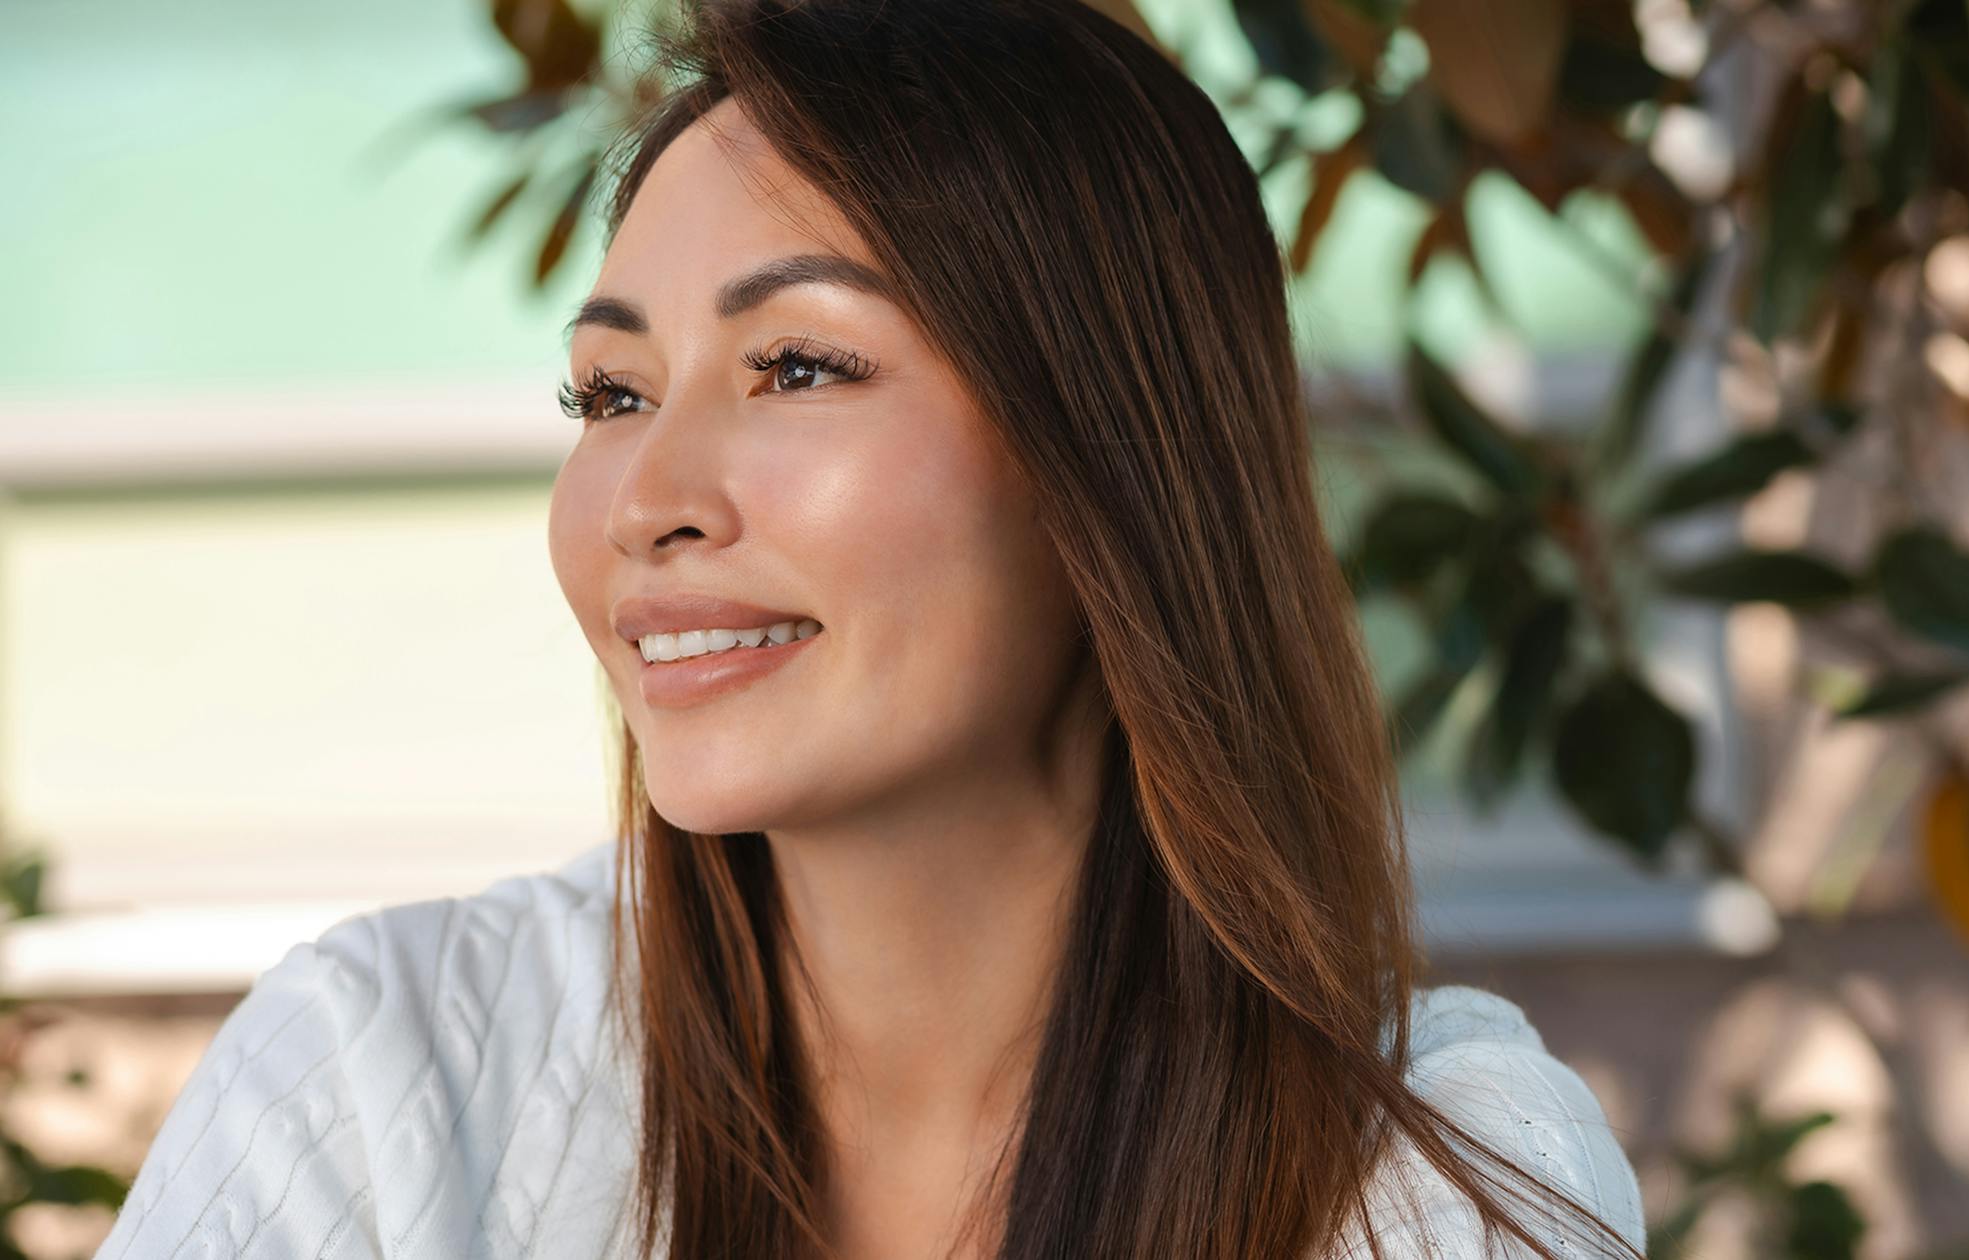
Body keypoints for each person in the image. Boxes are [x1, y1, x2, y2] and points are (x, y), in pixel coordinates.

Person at [95, 1, 1649, 1257]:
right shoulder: (379, 1080)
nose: (647, 499)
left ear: (1107, 461)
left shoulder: (1443, 1182)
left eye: (798, 368)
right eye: (611, 393)